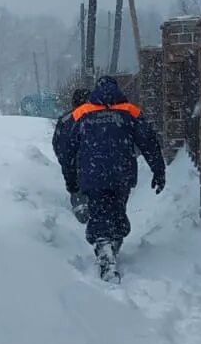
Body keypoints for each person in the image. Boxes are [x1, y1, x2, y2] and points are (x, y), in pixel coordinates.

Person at [54, 75, 166, 281]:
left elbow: (67, 150)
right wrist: (159, 171)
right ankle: (113, 240)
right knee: (117, 208)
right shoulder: (130, 112)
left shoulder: (81, 114)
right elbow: (149, 143)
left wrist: (71, 181)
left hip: (92, 174)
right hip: (122, 173)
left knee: (99, 210)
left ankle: (104, 245)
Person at [51, 86, 90, 223]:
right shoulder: (98, 116)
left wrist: (65, 162)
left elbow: (57, 145)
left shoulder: (65, 119)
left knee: (78, 196)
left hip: (73, 166)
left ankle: (80, 217)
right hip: (97, 168)